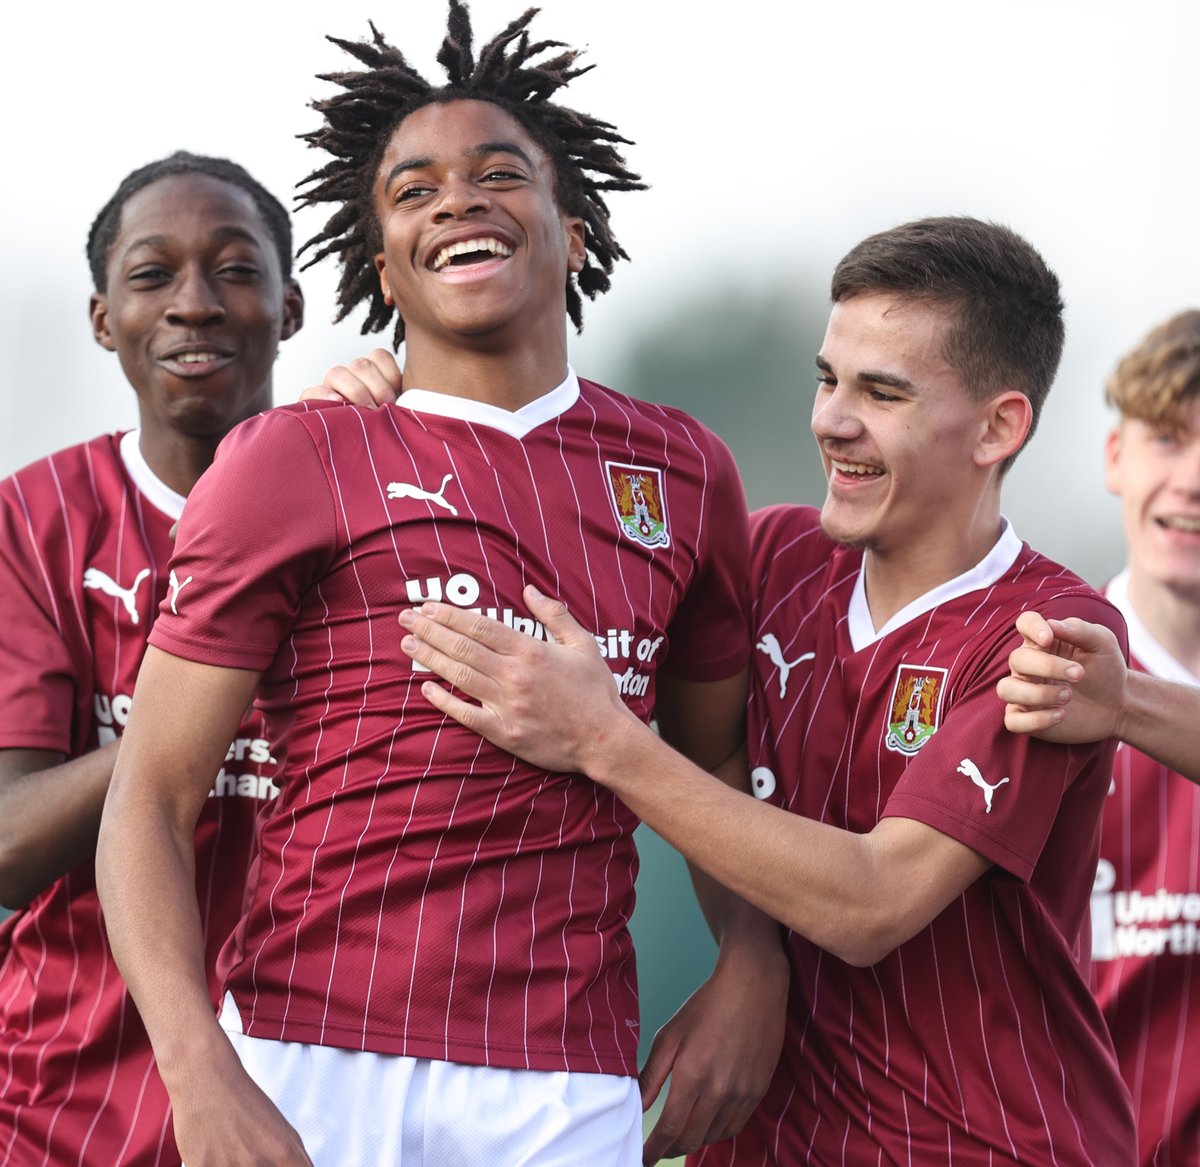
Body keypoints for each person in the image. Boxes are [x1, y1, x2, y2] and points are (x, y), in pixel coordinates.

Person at [96, 5, 786, 1165]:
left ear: (573, 228)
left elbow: (713, 761)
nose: (457, 201)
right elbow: (150, 800)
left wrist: (753, 961)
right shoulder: (290, 457)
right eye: (414, 192)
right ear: (383, 270)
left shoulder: (684, 468)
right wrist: (197, 1065)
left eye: (498, 175)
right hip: (307, 1063)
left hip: (563, 1081)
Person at [395, 216, 1140, 1164]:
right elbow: (541, 577)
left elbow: (872, 903)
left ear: (999, 426)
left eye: (883, 392)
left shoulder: (1047, 638)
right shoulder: (778, 552)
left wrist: (609, 741)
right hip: (772, 1138)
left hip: (987, 1141)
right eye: (828, 379)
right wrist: (401, 410)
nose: (832, 418)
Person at [0, 151, 303, 1164]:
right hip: (69, 1103)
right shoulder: (34, 523)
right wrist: (189, 722)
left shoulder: (365, 508)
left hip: (325, 1084)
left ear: (290, 307)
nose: (195, 305)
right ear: (102, 319)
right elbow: (6, 842)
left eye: (234, 270)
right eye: (152, 275)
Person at [998, 310, 1200, 1163]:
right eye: (1167, 439)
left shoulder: (1102, 697)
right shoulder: (1032, 669)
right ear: (1116, 457)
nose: (1193, 480)